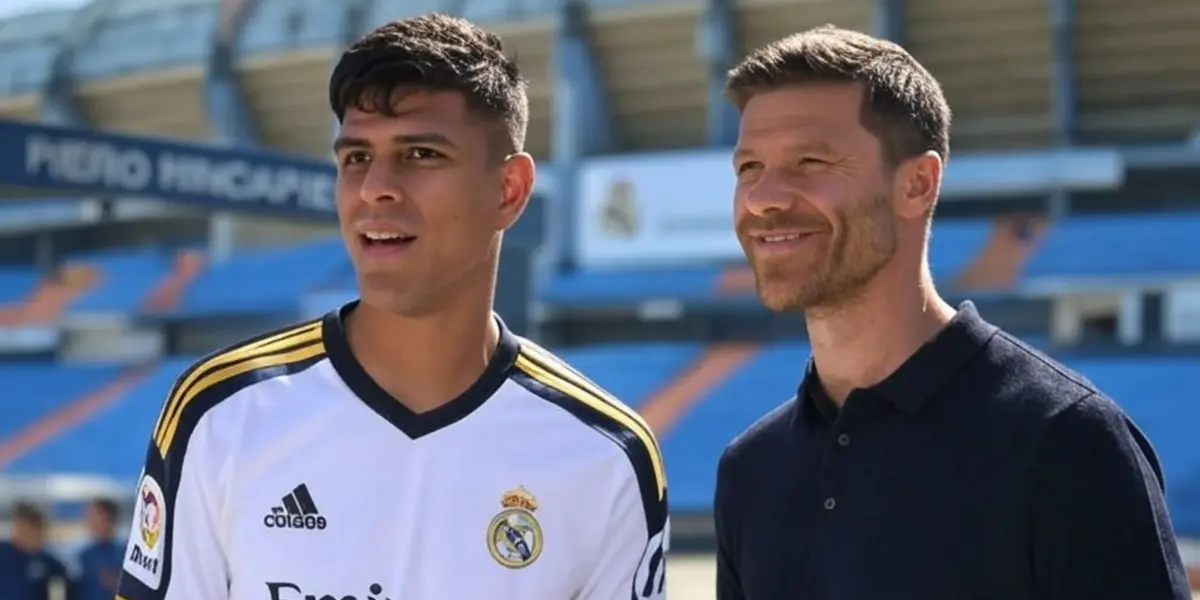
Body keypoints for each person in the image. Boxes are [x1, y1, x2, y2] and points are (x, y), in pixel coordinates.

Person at [114, 12, 668, 600]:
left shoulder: (607, 456)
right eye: (356, 157)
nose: (375, 187)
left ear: (509, 191)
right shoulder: (222, 415)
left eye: (421, 154)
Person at [713, 25, 1190, 600]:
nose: (763, 197)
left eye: (810, 161)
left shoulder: (1066, 441)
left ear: (917, 184)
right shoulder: (750, 470)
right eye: (749, 168)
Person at [0, 502, 71, 600]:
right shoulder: (3, 552)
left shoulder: (46, 559)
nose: (22, 531)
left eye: (27, 527)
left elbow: (67, 581)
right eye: (19, 525)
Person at [74, 498, 122, 600]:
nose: (90, 521)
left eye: (95, 516)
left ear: (108, 518)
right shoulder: (84, 555)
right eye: (89, 517)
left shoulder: (125, 554)